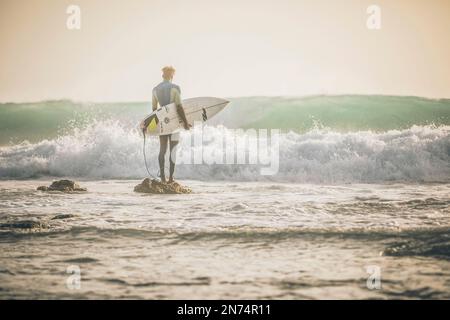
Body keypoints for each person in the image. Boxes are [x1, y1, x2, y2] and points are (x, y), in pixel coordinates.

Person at [147, 66, 191, 183]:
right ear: (172, 75)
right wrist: (186, 123)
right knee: (173, 150)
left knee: (162, 150)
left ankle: (162, 177)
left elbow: (154, 110)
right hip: (174, 123)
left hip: (162, 121)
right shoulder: (175, 88)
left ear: (162, 75)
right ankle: (171, 178)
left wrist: (152, 126)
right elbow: (179, 107)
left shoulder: (155, 89)